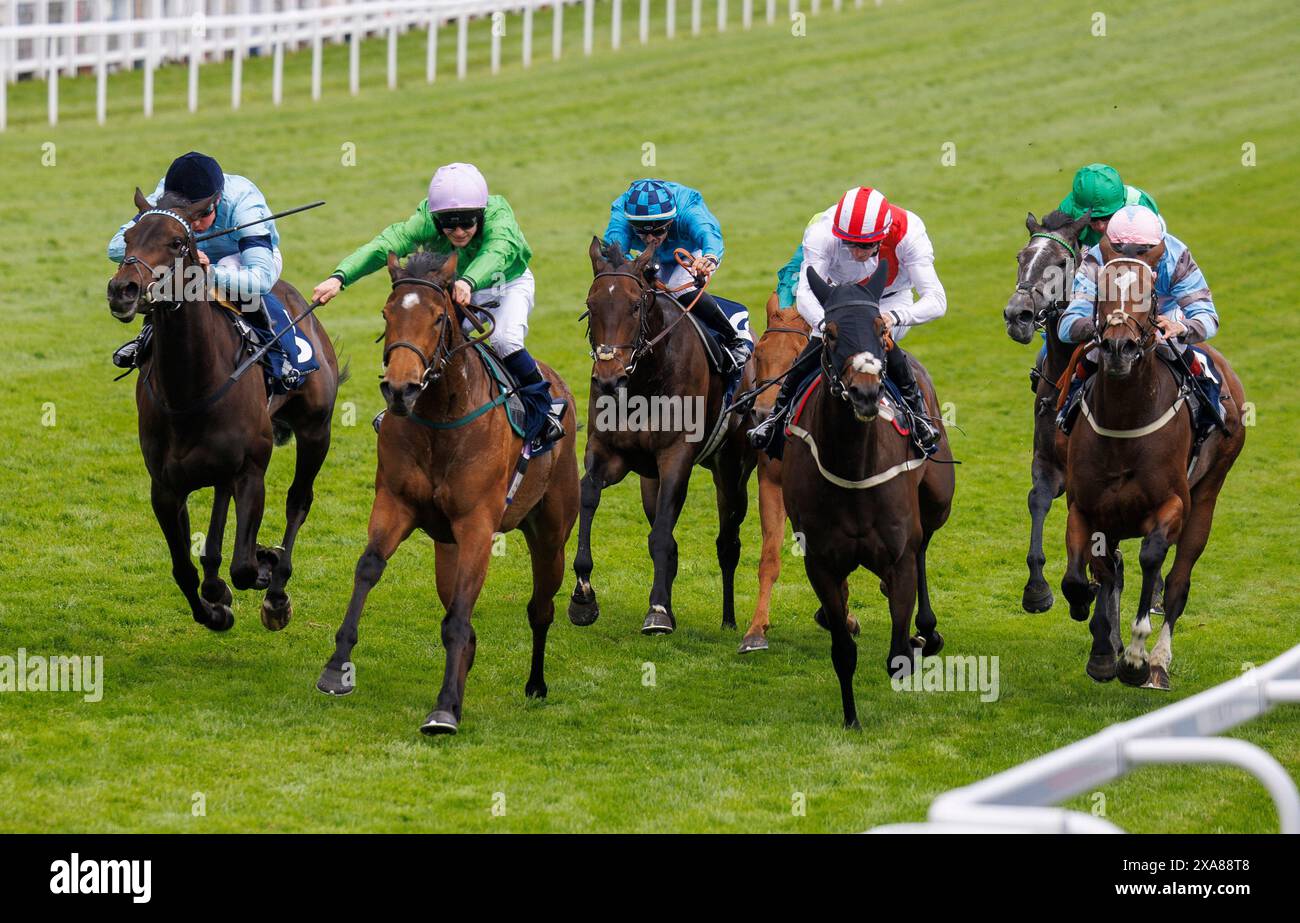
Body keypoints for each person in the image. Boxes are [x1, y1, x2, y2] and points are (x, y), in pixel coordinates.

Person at [312, 162, 563, 447]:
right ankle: (403, 402)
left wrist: (468, 281)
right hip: (456, 284)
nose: (458, 232)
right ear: (436, 218)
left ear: (481, 213)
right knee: (432, 338)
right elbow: (386, 244)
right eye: (448, 223)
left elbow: (497, 251)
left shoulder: (499, 215)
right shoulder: (426, 219)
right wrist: (339, 277)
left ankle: (545, 408)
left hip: (507, 284)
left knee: (505, 340)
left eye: (467, 222)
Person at [748, 186, 947, 455]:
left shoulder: (909, 233)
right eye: (849, 243)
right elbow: (806, 291)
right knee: (817, 347)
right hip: (838, 300)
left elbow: (936, 300)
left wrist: (895, 317)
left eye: (865, 246)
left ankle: (919, 414)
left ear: (883, 235)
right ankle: (776, 417)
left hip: (889, 301)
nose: (856, 253)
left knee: (879, 340)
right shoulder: (822, 231)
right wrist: (823, 326)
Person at [108, 152, 311, 387]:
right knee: (163, 273)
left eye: (202, 214)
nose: (194, 224)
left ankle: (279, 352)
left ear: (217, 201)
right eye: (184, 216)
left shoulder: (243, 201)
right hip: (185, 254)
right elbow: (115, 248)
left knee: (223, 269)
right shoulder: (164, 196)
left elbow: (261, 278)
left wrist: (209, 272)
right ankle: (147, 336)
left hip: (244, 259)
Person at [1056, 204, 1223, 438]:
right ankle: (1067, 411)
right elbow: (1067, 325)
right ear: (1110, 245)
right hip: (1110, 317)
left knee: (1177, 349)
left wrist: (1181, 327)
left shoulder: (1177, 256)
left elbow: (1207, 317)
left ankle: (1210, 410)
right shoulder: (1096, 258)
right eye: (1120, 249)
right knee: (1092, 355)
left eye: (1142, 251)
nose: (1130, 257)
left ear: (1157, 248)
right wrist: (1098, 327)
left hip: (1163, 313)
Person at [603, 179, 753, 371]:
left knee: (680, 287)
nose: (650, 239)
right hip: (648, 256)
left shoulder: (688, 207)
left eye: (658, 231)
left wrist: (708, 259)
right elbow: (613, 249)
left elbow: (709, 234)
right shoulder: (621, 214)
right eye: (641, 232)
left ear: (671, 220)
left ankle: (734, 339)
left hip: (689, 252)